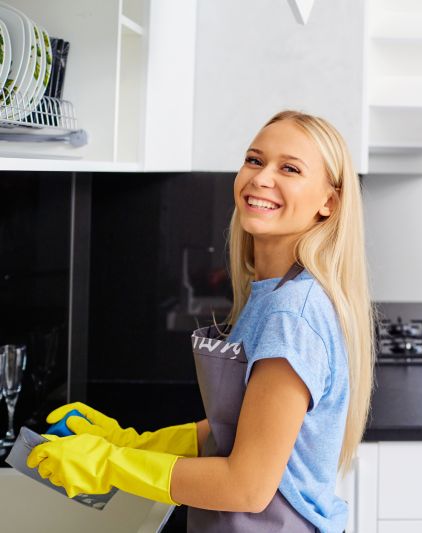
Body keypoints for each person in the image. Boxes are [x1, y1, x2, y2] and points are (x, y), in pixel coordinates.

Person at [27, 110, 375, 533]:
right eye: (254, 160)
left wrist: (109, 464)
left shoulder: (292, 315)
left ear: (329, 202)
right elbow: (240, 427)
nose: (262, 178)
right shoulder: (274, 293)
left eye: (289, 168)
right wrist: (130, 441)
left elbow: (247, 487)